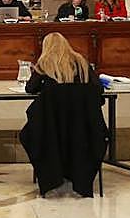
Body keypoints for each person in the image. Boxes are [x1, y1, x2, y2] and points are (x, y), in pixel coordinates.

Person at [18, 32, 107, 198]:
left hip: (52, 126)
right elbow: (98, 89)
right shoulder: (81, 61)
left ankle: (52, 173)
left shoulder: (44, 63)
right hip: (82, 125)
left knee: (28, 134)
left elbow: (30, 88)